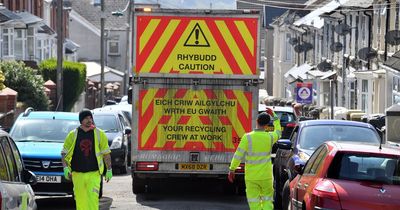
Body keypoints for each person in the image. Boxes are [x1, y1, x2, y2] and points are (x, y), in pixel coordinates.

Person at [228, 107, 281, 210]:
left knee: (254, 203)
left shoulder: (247, 137)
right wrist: (274, 115)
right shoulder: (270, 137)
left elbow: (238, 155)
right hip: (266, 176)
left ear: (257, 121)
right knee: (267, 200)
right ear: (267, 125)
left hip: (251, 177)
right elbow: (278, 132)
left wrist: (232, 169)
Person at [61, 109, 112, 210]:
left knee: (92, 199)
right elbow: (63, 153)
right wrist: (65, 168)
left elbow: (106, 153)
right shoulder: (73, 135)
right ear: (81, 121)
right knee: (80, 201)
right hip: (77, 174)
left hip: (94, 174)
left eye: (90, 118)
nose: (89, 120)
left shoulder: (99, 134)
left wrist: (109, 169)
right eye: (86, 118)